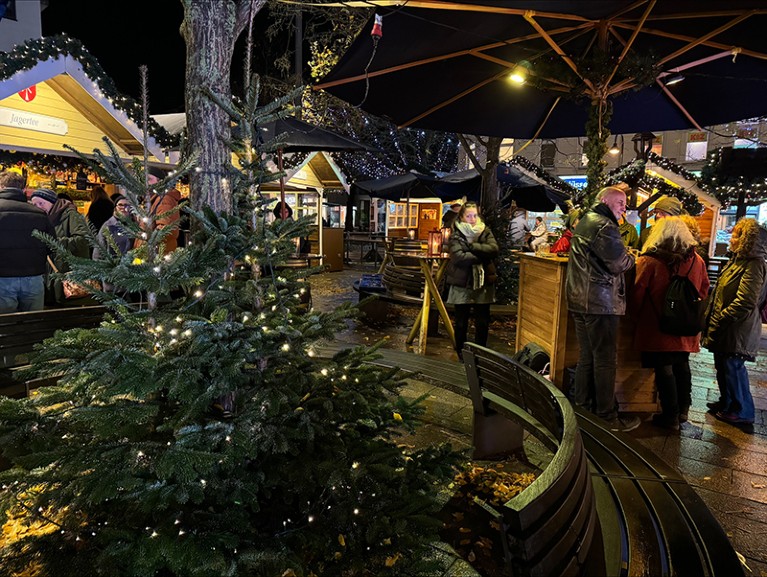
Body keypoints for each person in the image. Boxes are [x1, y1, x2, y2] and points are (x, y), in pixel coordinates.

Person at [566, 186, 639, 432]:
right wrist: (632, 256)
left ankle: (584, 409)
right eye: (620, 202)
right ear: (606, 200)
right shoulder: (604, 226)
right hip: (600, 303)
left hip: (581, 300)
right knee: (605, 360)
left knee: (588, 356)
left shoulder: (587, 220)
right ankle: (607, 418)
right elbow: (619, 263)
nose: (623, 208)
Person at [631, 217, 709, 430]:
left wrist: (635, 318)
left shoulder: (649, 261)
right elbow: (704, 289)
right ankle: (684, 410)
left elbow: (637, 293)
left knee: (664, 367)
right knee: (682, 364)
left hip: (657, 326)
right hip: (685, 326)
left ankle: (670, 416)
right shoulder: (697, 261)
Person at [701, 218, 767, 428]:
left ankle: (742, 410)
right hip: (728, 325)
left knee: (733, 365)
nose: (731, 236)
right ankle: (728, 402)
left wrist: (724, 316)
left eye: (736, 233)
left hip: (738, 327)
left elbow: (747, 299)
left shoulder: (755, 263)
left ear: (746, 239)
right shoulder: (738, 259)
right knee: (724, 364)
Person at [445, 202, 499, 360]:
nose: (472, 219)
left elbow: (494, 249)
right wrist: (482, 255)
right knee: (461, 322)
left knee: (482, 321)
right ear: (461, 216)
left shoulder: (485, 231)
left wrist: (471, 247)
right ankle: (462, 353)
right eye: (468, 215)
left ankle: (480, 353)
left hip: (483, 283)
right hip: (462, 282)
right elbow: (458, 258)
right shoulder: (456, 234)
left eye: (475, 215)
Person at [0, 171, 56, 313]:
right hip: (34, 278)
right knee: (33, 323)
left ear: (1, 187)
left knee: (6, 325)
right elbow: (52, 245)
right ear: (24, 189)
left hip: (3, 278)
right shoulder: (38, 213)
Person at [30, 188, 90, 305]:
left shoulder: (71, 215)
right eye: (34, 204)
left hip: (69, 274)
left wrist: (52, 242)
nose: (38, 207)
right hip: (51, 275)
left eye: (41, 203)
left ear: (52, 202)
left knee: (68, 308)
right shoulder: (43, 219)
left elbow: (83, 240)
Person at [145, 167, 182, 254]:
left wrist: (145, 238)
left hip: (159, 253)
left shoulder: (164, 199)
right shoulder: (155, 199)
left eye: (149, 179)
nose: (146, 183)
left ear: (160, 181)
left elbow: (165, 229)